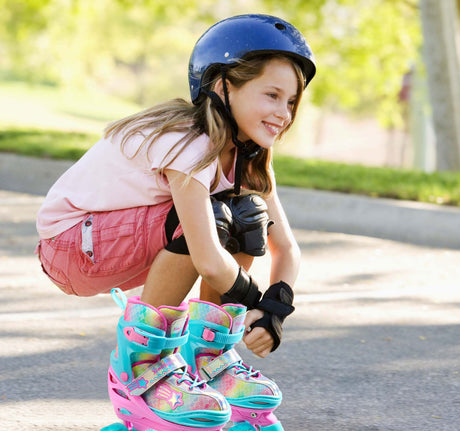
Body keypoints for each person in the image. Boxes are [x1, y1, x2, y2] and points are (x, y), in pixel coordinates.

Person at [36, 14, 316, 359]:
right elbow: (209, 260)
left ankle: (209, 354)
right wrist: (255, 305)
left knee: (248, 215)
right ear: (222, 87)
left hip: (113, 246)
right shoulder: (189, 143)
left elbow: (286, 249)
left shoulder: (251, 156)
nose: (284, 114)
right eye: (271, 95)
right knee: (210, 220)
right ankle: (142, 362)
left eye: (290, 101)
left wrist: (274, 310)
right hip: (70, 248)